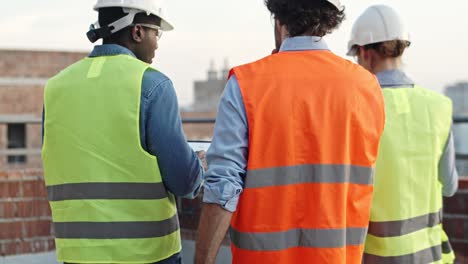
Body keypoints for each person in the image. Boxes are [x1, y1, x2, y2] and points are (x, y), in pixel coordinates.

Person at [195, 0, 386, 263]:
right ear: (330, 19)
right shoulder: (367, 87)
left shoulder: (246, 84)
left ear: (278, 19)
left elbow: (223, 186)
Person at [42, 0, 204, 263]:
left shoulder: (56, 88)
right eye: (156, 33)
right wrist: (199, 166)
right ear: (137, 31)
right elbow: (184, 182)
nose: (157, 43)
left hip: (78, 254)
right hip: (146, 254)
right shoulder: (152, 84)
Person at [347, 5, 459, 263]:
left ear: (364, 53)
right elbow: (450, 186)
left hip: (375, 257)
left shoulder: (357, 108)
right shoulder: (439, 106)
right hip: (430, 256)